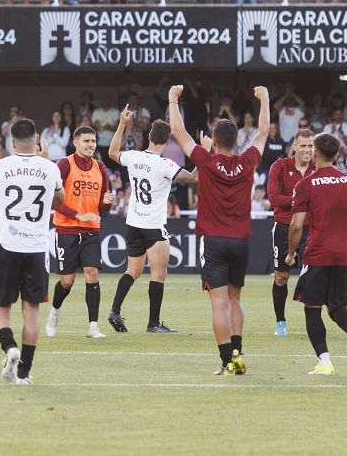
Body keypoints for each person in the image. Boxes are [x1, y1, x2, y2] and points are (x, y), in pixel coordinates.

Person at [168, 82, 270, 375]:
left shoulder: (206, 161)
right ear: (237, 142)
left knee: (218, 302)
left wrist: (174, 100)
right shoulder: (247, 161)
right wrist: (264, 99)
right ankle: (238, 351)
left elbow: (178, 133)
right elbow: (262, 132)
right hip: (241, 240)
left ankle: (226, 360)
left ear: (213, 141)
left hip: (213, 240)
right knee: (236, 299)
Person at [287, 133, 347, 375]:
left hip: (317, 255)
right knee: (337, 308)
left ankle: (325, 362)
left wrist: (291, 252)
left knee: (312, 308)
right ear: (336, 155)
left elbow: (296, 225)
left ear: (314, 154)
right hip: (344, 256)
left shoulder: (305, 184)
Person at [0, 118, 64, 383]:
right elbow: (60, 198)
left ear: (11, 142)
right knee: (31, 312)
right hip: (36, 247)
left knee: (0, 306)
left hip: (7, 244)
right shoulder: (49, 167)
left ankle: (10, 348)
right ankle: (24, 373)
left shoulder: (2, 165)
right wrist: (44, 160)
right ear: (36, 140)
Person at [107, 107, 194, 334]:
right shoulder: (166, 165)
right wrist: (203, 153)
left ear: (148, 137)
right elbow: (193, 178)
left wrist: (122, 124)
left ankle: (115, 310)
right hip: (154, 227)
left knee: (132, 271)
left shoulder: (134, 156)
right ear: (167, 141)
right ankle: (153, 323)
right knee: (159, 274)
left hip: (133, 223)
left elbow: (113, 153)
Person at [46, 126, 114, 340]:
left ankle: (93, 326)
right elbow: (53, 201)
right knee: (67, 281)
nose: (91, 145)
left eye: (93, 141)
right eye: (86, 141)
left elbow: (105, 205)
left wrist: (106, 204)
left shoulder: (101, 167)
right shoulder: (64, 165)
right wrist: (78, 215)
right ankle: (54, 312)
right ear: (75, 142)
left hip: (91, 230)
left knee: (92, 274)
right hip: (66, 230)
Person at [266, 128, 315, 336]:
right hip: (284, 228)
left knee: (313, 277)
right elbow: (274, 199)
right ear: (295, 146)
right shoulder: (279, 167)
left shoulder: (318, 169)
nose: (307, 150)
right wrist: (304, 199)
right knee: (281, 277)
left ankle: (313, 322)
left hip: (311, 230)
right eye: (303, 145)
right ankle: (280, 321)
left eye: (310, 146)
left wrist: (293, 199)